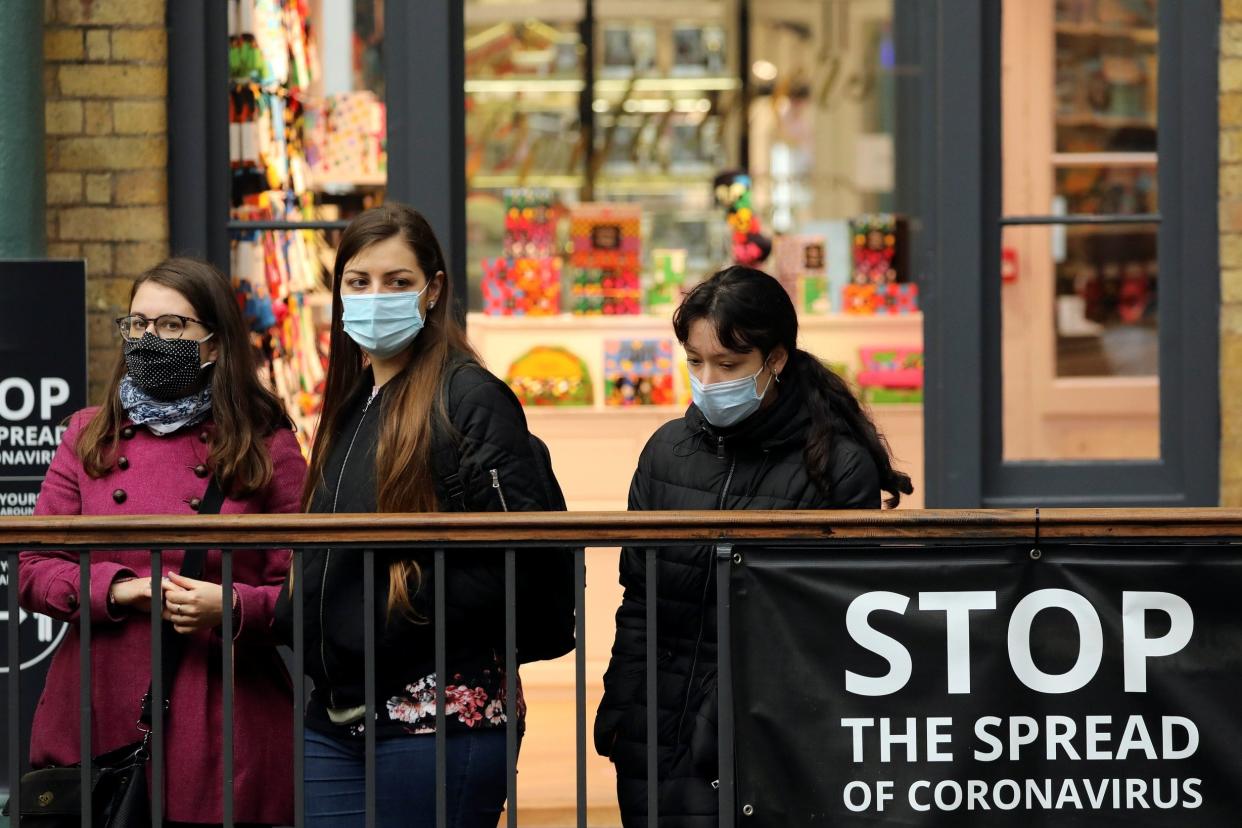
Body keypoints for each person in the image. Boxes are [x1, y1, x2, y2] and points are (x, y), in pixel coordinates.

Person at [273, 203, 561, 828]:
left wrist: (390, 612)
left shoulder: (471, 398)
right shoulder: (353, 406)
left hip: (439, 717)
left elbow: (524, 558)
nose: (375, 297)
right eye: (359, 281)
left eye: (397, 282)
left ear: (432, 291)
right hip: (337, 714)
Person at [594, 265, 913, 827]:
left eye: (730, 364)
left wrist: (723, 720)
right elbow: (639, 597)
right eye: (696, 362)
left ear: (777, 360)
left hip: (766, 736)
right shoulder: (666, 452)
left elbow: (824, 628)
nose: (710, 380)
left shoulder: (834, 468)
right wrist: (623, 702)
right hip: (655, 727)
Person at [19, 257, 307, 826]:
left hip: (222, 717)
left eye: (172, 326)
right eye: (138, 324)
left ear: (215, 344)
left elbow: (306, 589)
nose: (150, 339)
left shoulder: (265, 445)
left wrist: (228, 605)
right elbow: (32, 567)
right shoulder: (87, 434)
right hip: (97, 710)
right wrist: (119, 590)